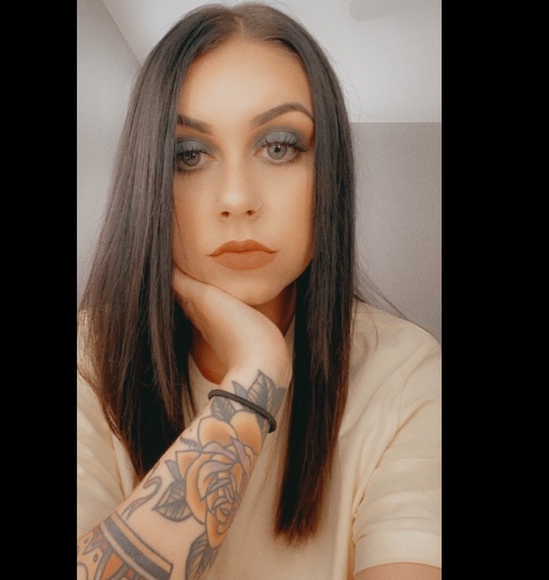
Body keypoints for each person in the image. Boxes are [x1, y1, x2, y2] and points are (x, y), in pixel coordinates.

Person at [76, 3, 441, 579]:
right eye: (188, 155)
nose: (236, 199)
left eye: (278, 147)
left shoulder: (405, 373)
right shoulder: (87, 361)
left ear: (329, 173)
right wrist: (254, 379)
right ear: (148, 180)